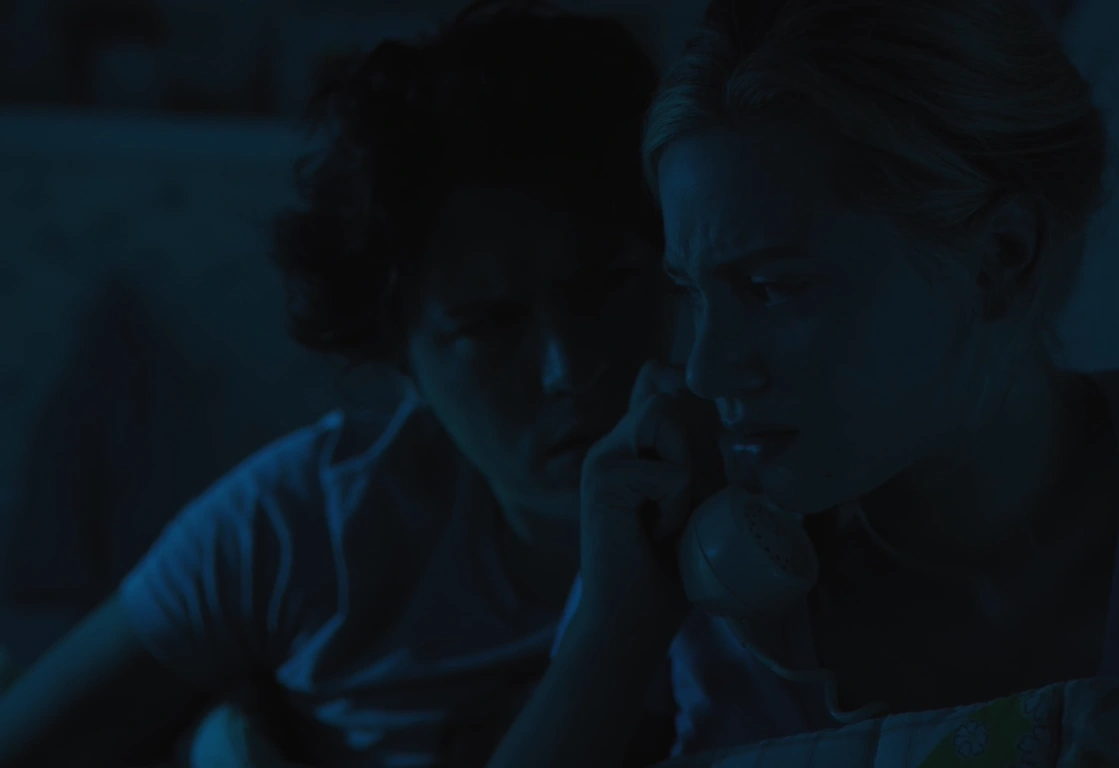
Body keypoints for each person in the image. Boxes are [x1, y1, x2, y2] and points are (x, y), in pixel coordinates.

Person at [487, 0, 1119, 766]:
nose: (709, 367)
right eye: (692, 291)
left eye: (771, 287)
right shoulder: (666, 581)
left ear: (1000, 259)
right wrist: (611, 635)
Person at [0, 3, 677, 766]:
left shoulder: (761, 520)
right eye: (489, 325)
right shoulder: (298, 528)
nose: (567, 368)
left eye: (605, 285)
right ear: (400, 359)